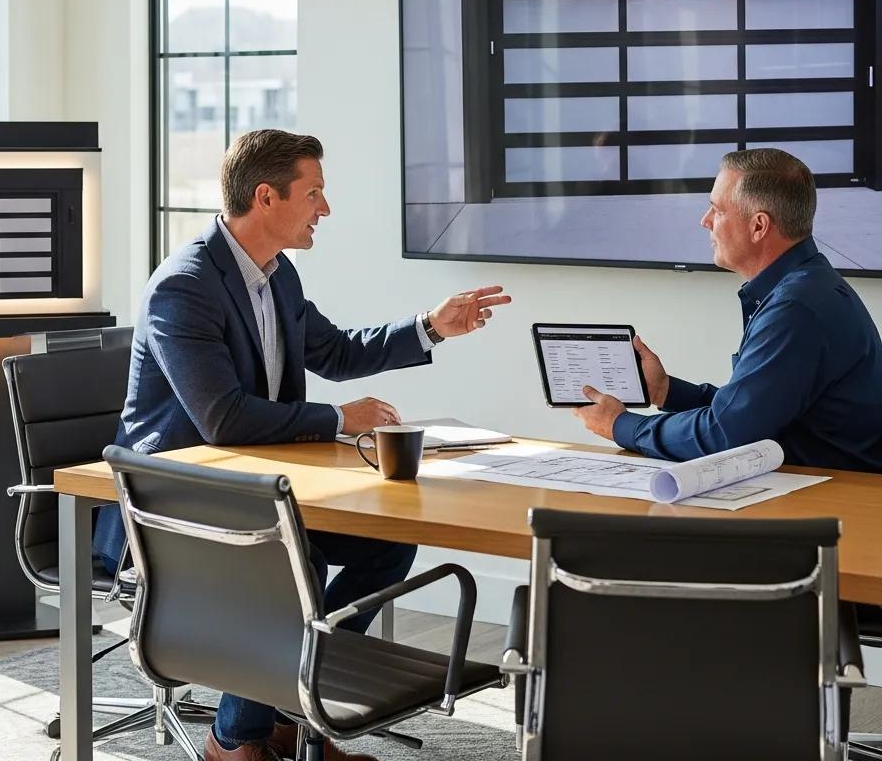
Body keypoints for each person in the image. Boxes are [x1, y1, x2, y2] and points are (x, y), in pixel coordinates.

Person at [93, 129, 511, 761]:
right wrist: (340, 419)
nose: (325, 207)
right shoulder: (184, 288)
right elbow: (223, 419)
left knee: (386, 541)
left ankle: (299, 710)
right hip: (175, 501)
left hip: (253, 485)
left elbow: (336, 352)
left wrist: (432, 326)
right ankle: (236, 740)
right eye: (314, 192)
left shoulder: (276, 275)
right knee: (296, 562)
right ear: (266, 198)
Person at [572, 148, 882, 472]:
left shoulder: (796, 309)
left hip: (843, 498)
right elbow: (752, 410)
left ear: (759, 226)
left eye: (717, 210)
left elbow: (726, 434)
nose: (704, 220)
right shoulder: (805, 287)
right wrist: (665, 390)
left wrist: (621, 426)